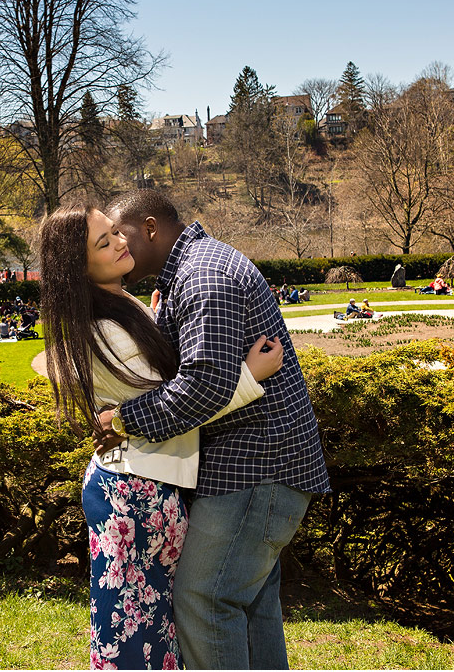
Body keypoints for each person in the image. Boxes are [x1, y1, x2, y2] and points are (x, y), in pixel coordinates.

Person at [39, 202, 285, 670]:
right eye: (103, 241)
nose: (119, 242)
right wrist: (248, 376)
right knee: (134, 638)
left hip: (148, 488)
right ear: (78, 266)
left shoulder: (123, 308)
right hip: (135, 493)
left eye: (115, 231)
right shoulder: (104, 329)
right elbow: (181, 403)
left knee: (151, 631)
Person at [97, 190, 330, 670]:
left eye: (121, 233)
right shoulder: (193, 272)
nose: (119, 245)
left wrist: (124, 420)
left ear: (152, 227)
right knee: (251, 607)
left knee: (205, 602)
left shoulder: (204, 276)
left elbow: (203, 385)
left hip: (254, 469)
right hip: (257, 469)